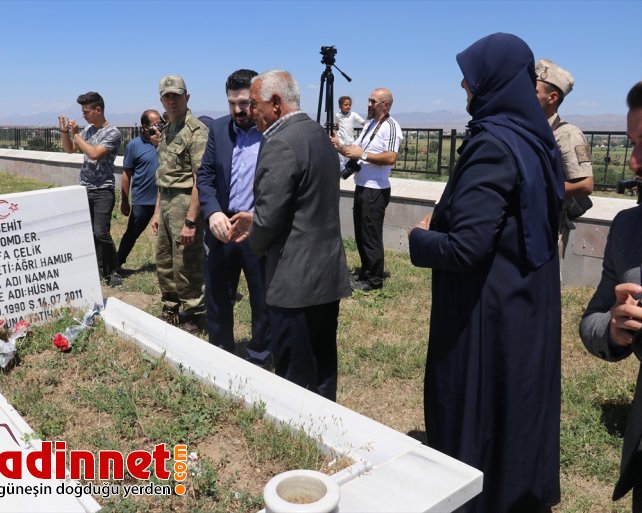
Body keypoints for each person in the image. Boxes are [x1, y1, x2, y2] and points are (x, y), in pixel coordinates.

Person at [408, 33, 564, 512]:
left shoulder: (493, 144)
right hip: (524, 301)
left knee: (478, 408)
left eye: (472, 78)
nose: (463, 86)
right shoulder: (533, 139)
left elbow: (465, 247)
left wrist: (419, 238)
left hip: (485, 311)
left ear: (494, 81)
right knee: (513, 405)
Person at [228, 70, 350, 401]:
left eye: (254, 104)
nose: (250, 112)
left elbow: (269, 221)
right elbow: (305, 201)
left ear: (277, 103)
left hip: (293, 281)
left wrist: (253, 235)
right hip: (326, 273)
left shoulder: (280, 142)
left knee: (295, 372)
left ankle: (304, 439)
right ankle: (329, 425)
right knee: (323, 361)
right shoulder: (316, 134)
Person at [579, 81, 642, 513]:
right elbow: (592, 320)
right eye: (633, 144)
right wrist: (616, 330)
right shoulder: (628, 228)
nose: (634, 162)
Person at [196, 69, 270, 361]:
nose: (238, 110)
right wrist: (212, 212)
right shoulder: (218, 129)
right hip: (222, 227)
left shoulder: (272, 131)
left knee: (262, 297)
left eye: (244, 103)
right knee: (217, 294)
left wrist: (258, 218)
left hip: (258, 228)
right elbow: (206, 176)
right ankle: (220, 352)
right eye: (232, 103)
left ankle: (260, 355)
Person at [152, 75, 209, 332]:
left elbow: (200, 180)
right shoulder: (167, 130)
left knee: (187, 259)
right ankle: (171, 306)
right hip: (166, 200)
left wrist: (190, 220)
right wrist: (156, 212)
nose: (171, 101)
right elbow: (163, 175)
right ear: (162, 100)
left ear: (187, 97)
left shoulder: (196, 131)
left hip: (185, 201)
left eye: (176, 95)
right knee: (164, 257)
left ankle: (196, 312)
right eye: (167, 96)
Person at [331, 88, 402, 291]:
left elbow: (391, 157)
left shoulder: (391, 126)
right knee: (361, 233)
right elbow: (356, 149)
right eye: (369, 101)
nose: (369, 105)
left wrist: (364, 155)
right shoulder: (370, 124)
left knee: (371, 235)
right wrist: (339, 146)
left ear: (386, 105)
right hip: (362, 186)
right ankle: (365, 272)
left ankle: (374, 280)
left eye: (374, 102)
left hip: (376, 190)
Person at [58, 91, 123, 287]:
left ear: (98, 110)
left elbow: (94, 154)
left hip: (103, 189)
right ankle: (99, 268)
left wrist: (77, 134)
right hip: (85, 188)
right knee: (90, 233)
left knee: (101, 231)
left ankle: (114, 270)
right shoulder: (87, 131)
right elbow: (70, 149)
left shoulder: (113, 133)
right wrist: (65, 133)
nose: (84, 115)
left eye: (87, 111)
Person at [535, 58, 594, 260]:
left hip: (551, 223)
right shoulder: (533, 130)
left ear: (552, 97)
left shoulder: (568, 134)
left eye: (533, 92)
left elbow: (585, 185)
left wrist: (538, 188)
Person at [115, 109, 162, 275]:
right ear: (144, 127)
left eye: (161, 123)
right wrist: (125, 200)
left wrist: (160, 143)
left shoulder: (166, 142)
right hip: (142, 199)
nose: (159, 127)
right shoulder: (134, 145)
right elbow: (127, 174)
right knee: (131, 234)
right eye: (155, 124)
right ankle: (117, 263)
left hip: (165, 199)